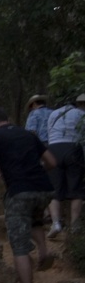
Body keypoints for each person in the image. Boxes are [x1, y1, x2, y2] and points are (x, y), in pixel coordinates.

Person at [0, 107, 56, 283]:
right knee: (34, 218)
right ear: (8, 119)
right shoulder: (27, 134)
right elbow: (52, 162)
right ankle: (44, 250)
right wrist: (37, 172)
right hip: (44, 189)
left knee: (20, 249)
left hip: (19, 191)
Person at [46, 95, 85, 237]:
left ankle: (56, 223)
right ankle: (74, 225)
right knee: (76, 189)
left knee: (54, 190)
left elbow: (49, 134)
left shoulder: (53, 114)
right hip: (73, 148)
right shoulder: (80, 114)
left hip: (54, 149)